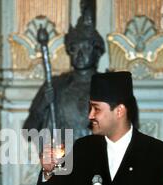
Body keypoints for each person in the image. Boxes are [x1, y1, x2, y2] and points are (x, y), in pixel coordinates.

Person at [23, 5, 105, 143]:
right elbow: (28, 133)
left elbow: (127, 136)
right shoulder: (55, 85)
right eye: (74, 48)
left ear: (96, 52)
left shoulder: (109, 86)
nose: (79, 54)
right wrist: (43, 105)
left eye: (85, 47)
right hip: (64, 160)